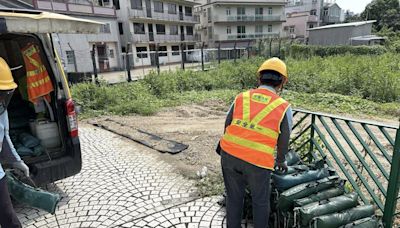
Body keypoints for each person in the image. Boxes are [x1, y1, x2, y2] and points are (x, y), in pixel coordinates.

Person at [219, 57, 292, 228]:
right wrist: (280, 160)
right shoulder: (283, 106)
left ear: (259, 78)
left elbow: (227, 123)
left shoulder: (241, 97)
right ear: (282, 83)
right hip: (258, 163)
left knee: (234, 199)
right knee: (260, 203)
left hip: (229, 155)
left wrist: (233, 148)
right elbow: (284, 137)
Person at [0, 57, 30, 228]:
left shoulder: (2, 111)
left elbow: (4, 139)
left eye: (3, 94)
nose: (1, 99)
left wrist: (17, 161)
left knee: (9, 218)